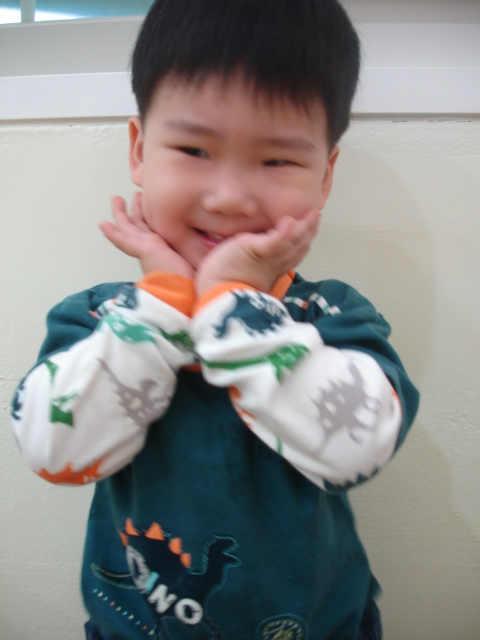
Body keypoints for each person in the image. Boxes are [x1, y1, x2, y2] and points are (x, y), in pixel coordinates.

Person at [11, 1, 419, 638]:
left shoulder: (331, 320)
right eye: (194, 148)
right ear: (140, 151)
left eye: (276, 160)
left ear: (325, 176)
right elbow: (53, 454)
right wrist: (162, 309)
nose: (228, 197)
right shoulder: (100, 319)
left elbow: (354, 453)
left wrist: (233, 303)